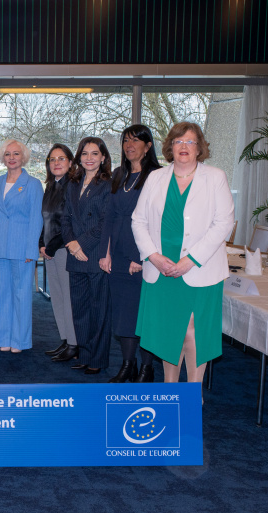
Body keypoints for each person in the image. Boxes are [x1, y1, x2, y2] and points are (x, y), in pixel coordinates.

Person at [132, 122, 234, 386]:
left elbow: (224, 223)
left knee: (193, 332)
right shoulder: (155, 178)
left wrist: (191, 260)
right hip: (161, 269)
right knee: (169, 331)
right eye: (178, 142)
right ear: (170, 147)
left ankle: (192, 392)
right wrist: (153, 256)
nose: (184, 147)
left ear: (199, 148)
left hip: (200, 269)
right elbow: (138, 221)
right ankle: (170, 389)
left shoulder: (215, 177)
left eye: (190, 142)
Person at [99, 125, 162, 383]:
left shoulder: (158, 176)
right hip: (118, 253)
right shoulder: (118, 174)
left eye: (135, 140)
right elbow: (110, 217)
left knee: (142, 314)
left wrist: (142, 256)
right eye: (126, 140)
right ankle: (128, 365)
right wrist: (106, 253)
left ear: (148, 146)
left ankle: (147, 369)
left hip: (144, 255)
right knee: (123, 314)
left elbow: (157, 221)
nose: (129, 145)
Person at [0, 139, 43, 352]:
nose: (12, 158)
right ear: (2, 157)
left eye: (16, 154)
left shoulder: (33, 184)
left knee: (21, 294)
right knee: (1, 295)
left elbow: (37, 219)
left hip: (21, 247)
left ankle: (20, 341)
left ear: (23, 157)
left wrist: (31, 250)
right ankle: (3, 339)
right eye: (8, 154)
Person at [60, 137, 113, 375]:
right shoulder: (73, 183)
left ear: (103, 157)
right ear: (79, 158)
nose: (89, 158)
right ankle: (85, 353)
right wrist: (71, 245)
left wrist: (81, 244)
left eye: (94, 153)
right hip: (75, 255)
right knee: (80, 309)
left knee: (98, 310)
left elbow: (105, 223)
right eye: (84, 153)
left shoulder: (109, 184)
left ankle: (98, 359)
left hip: (95, 254)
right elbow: (66, 217)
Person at [40, 144, 79, 363]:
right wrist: (41, 244)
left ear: (71, 162)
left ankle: (74, 344)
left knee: (68, 299)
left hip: (64, 250)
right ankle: (65, 340)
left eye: (61, 159)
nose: (56, 163)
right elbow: (43, 219)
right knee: (57, 298)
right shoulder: (51, 186)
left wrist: (51, 246)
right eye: (52, 159)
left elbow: (70, 223)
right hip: (50, 250)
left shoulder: (72, 187)